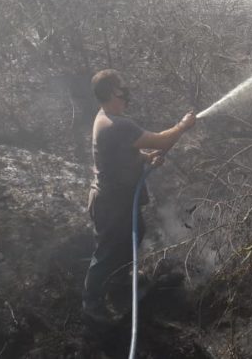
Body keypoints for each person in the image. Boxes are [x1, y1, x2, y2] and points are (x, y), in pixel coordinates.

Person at [82, 69, 196, 317]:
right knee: (106, 253)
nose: (126, 92)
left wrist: (145, 158)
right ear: (112, 92)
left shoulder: (106, 118)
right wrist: (183, 126)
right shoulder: (117, 124)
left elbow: (120, 154)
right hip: (111, 204)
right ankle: (92, 305)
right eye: (122, 88)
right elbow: (162, 140)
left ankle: (120, 281)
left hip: (118, 200)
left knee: (134, 234)